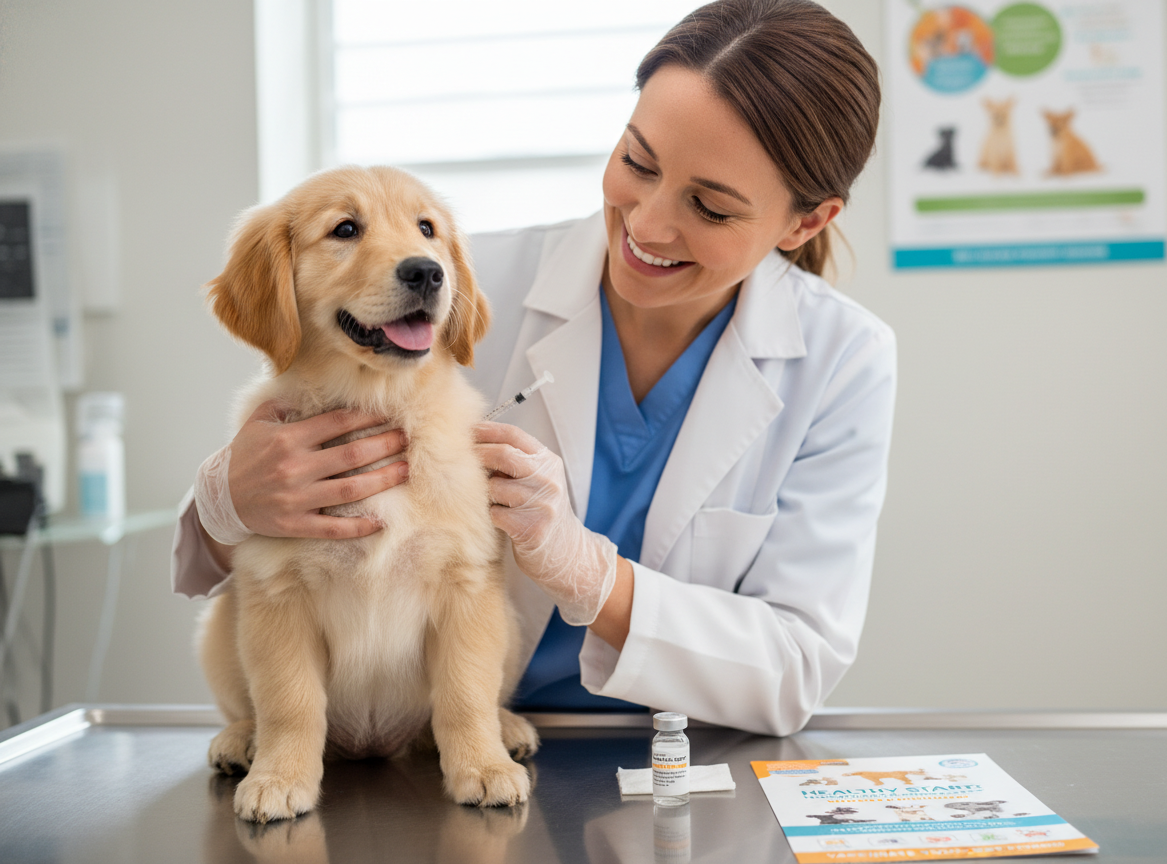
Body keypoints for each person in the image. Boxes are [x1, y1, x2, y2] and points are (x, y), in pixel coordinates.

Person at [173, 0, 895, 737]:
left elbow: (796, 668)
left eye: (709, 208)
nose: (645, 225)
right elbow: (244, 566)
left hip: (685, 752)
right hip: (449, 740)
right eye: (636, 163)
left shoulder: (844, 360)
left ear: (805, 222)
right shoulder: (453, 286)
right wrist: (227, 503)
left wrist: (590, 575)